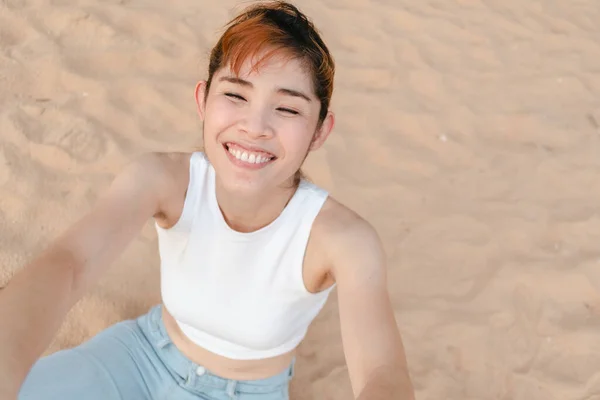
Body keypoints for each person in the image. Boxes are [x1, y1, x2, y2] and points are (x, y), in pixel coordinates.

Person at [0, 1, 415, 399]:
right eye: (236, 96)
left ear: (320, 131)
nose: (255, 127)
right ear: (203, 100)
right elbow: (70, 263)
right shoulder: (163, 179)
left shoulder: (344, 239)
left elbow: (382, 372)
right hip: (139, 357)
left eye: (287, 109)